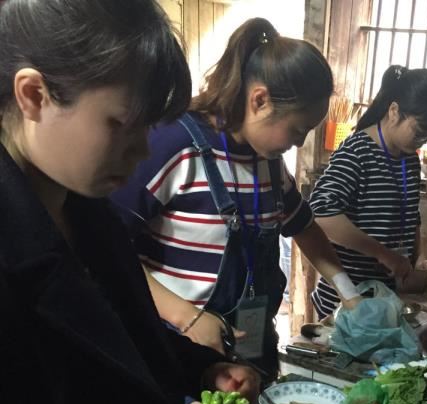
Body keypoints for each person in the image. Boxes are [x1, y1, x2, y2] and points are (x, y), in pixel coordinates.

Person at [0, 0, 261, 404]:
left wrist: (200, 367)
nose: (142, 151)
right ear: (34, 95)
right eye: (122, 123)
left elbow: (115, 342)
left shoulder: (87, 210)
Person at [111, 18, 361, 378]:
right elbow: (108, 250)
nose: (301, 143)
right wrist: (186, 317)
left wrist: (349, 294)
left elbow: (305, 228)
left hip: (250, 346)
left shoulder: (270, 164)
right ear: (260, 100)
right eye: (297, 129)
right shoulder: (173, 145)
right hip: (177, 347)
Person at [308, 65, 427, 318]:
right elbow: (321, 215)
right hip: (347, 300)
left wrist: (418, 259)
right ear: (394, 111)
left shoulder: (409, 159)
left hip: (387, 297)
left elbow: (411, 215)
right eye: (420, 132)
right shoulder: (356, 153)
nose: (422, 141)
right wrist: (383, 254)